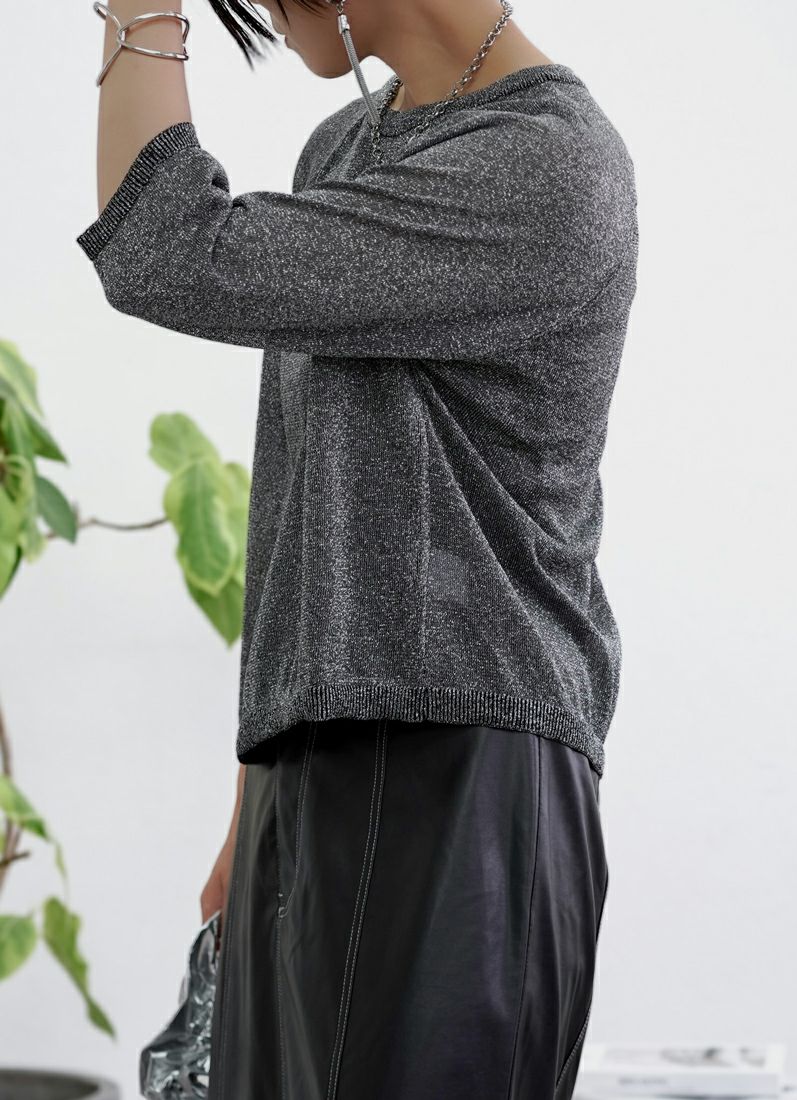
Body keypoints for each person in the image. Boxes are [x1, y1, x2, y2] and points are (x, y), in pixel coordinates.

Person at [77, 0, 638, 1095]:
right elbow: (311, 499)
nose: (261, 12)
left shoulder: (546, 164)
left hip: (462, 771)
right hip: (315, 760)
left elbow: (166, 251)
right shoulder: (345, 144)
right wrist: (255, 797)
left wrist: (136, 10)